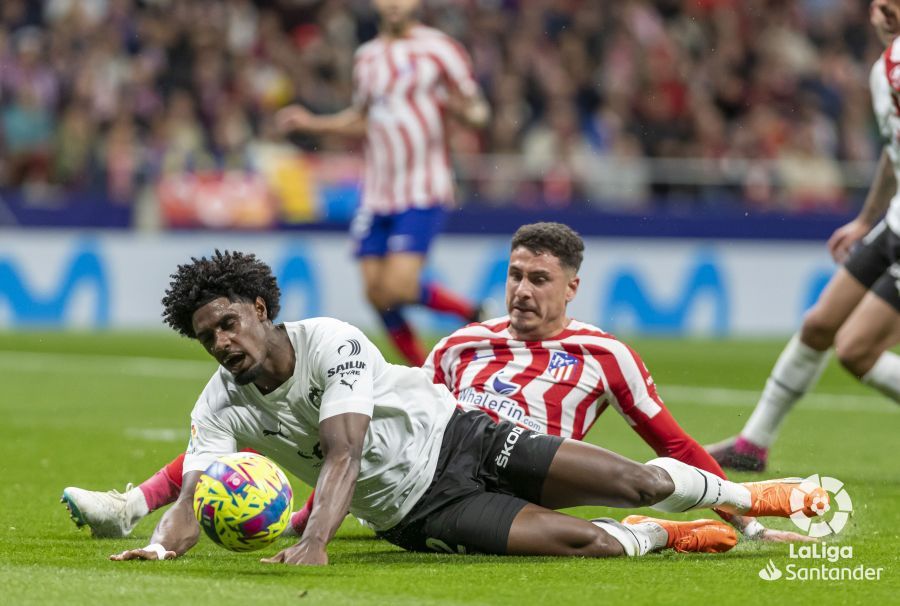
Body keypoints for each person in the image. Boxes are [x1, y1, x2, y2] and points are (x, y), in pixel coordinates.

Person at [63, 224, 809, 544]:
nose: (522, 290)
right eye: (514, 275)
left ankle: (744, 508)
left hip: (523, 458)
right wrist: (311, 514)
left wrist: (743, 519)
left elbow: (671, 442)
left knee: (639, 483)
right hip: (444, 471)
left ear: (570, 288)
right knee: (264, 414)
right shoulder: (461, 343)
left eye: (538, 279)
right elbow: (387, 422)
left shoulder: (604, 354)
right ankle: (136, 503)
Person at [707, 0, 900, 472]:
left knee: (855, 350)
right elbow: (892, 149)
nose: (888, 13)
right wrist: (865, 219)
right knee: (819, 325)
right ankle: (753, 444)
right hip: (894, 223)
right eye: (881, 5)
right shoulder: (882, 72)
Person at [275, 0, 490, 367]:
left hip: (422, 187)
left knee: (400, 287)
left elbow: (479, 110)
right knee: (376, 294)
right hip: (376, 192)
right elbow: (363, 119)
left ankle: (470, 312)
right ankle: (422, 371)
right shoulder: (367, 57)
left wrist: (467, 113)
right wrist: (313, 123)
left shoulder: (440, 49)